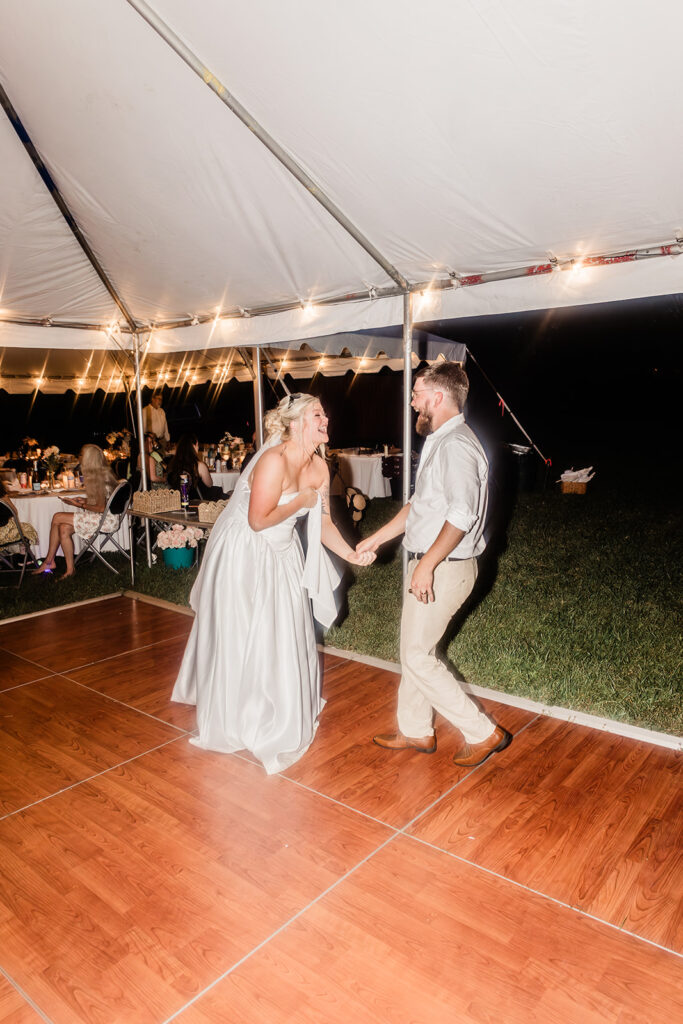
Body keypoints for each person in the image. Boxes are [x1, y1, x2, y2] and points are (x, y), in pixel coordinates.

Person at [172, 393, 375, 774]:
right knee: (242, 631)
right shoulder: (272, 460)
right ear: (296, 423)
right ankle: (234, 714)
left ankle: (274, 709)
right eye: (318, 415)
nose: (326, 421)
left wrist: (352, 555)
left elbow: (325, 524)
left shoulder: (321, 467)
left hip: (282, 553)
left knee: (281, 631)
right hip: (244, 553)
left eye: (325, 415)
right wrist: (300, 501)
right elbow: (258, 520)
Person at [357, 363, 512, 767]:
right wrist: (378, 537)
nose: (411, 401)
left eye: (417, 393)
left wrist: (426, 564)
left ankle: (482, 732)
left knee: (417, 655)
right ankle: (416, 730)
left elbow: (461, 515)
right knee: (414, 648)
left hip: (445, 566)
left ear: (438, 398)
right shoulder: (440, 440)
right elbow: (419, 507)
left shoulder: (457, 445)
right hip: (432, 563)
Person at [32, 444, 118, 579]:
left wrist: (79, 505)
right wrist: (82, 500)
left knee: (57, 517)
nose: (80, 458)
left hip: (106, 520)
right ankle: (70, 569)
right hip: (103, 516)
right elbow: (100, 503)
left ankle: (49, 561)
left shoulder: (100, 479)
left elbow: (101, 508)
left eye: (83, 456)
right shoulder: (102, 474)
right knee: (64, 528)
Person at [166, 433, 221, 499]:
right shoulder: (199, 465)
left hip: (178, 502)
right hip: (199, 502)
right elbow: (209, 484)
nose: (198, 448)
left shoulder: (171, 465)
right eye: (197, 445)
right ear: (193, 446)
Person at [0, 479, 39, 549]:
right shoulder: (2, 496)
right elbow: (14, 512)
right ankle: (25, 553)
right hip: (3, 535)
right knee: (27, 528)